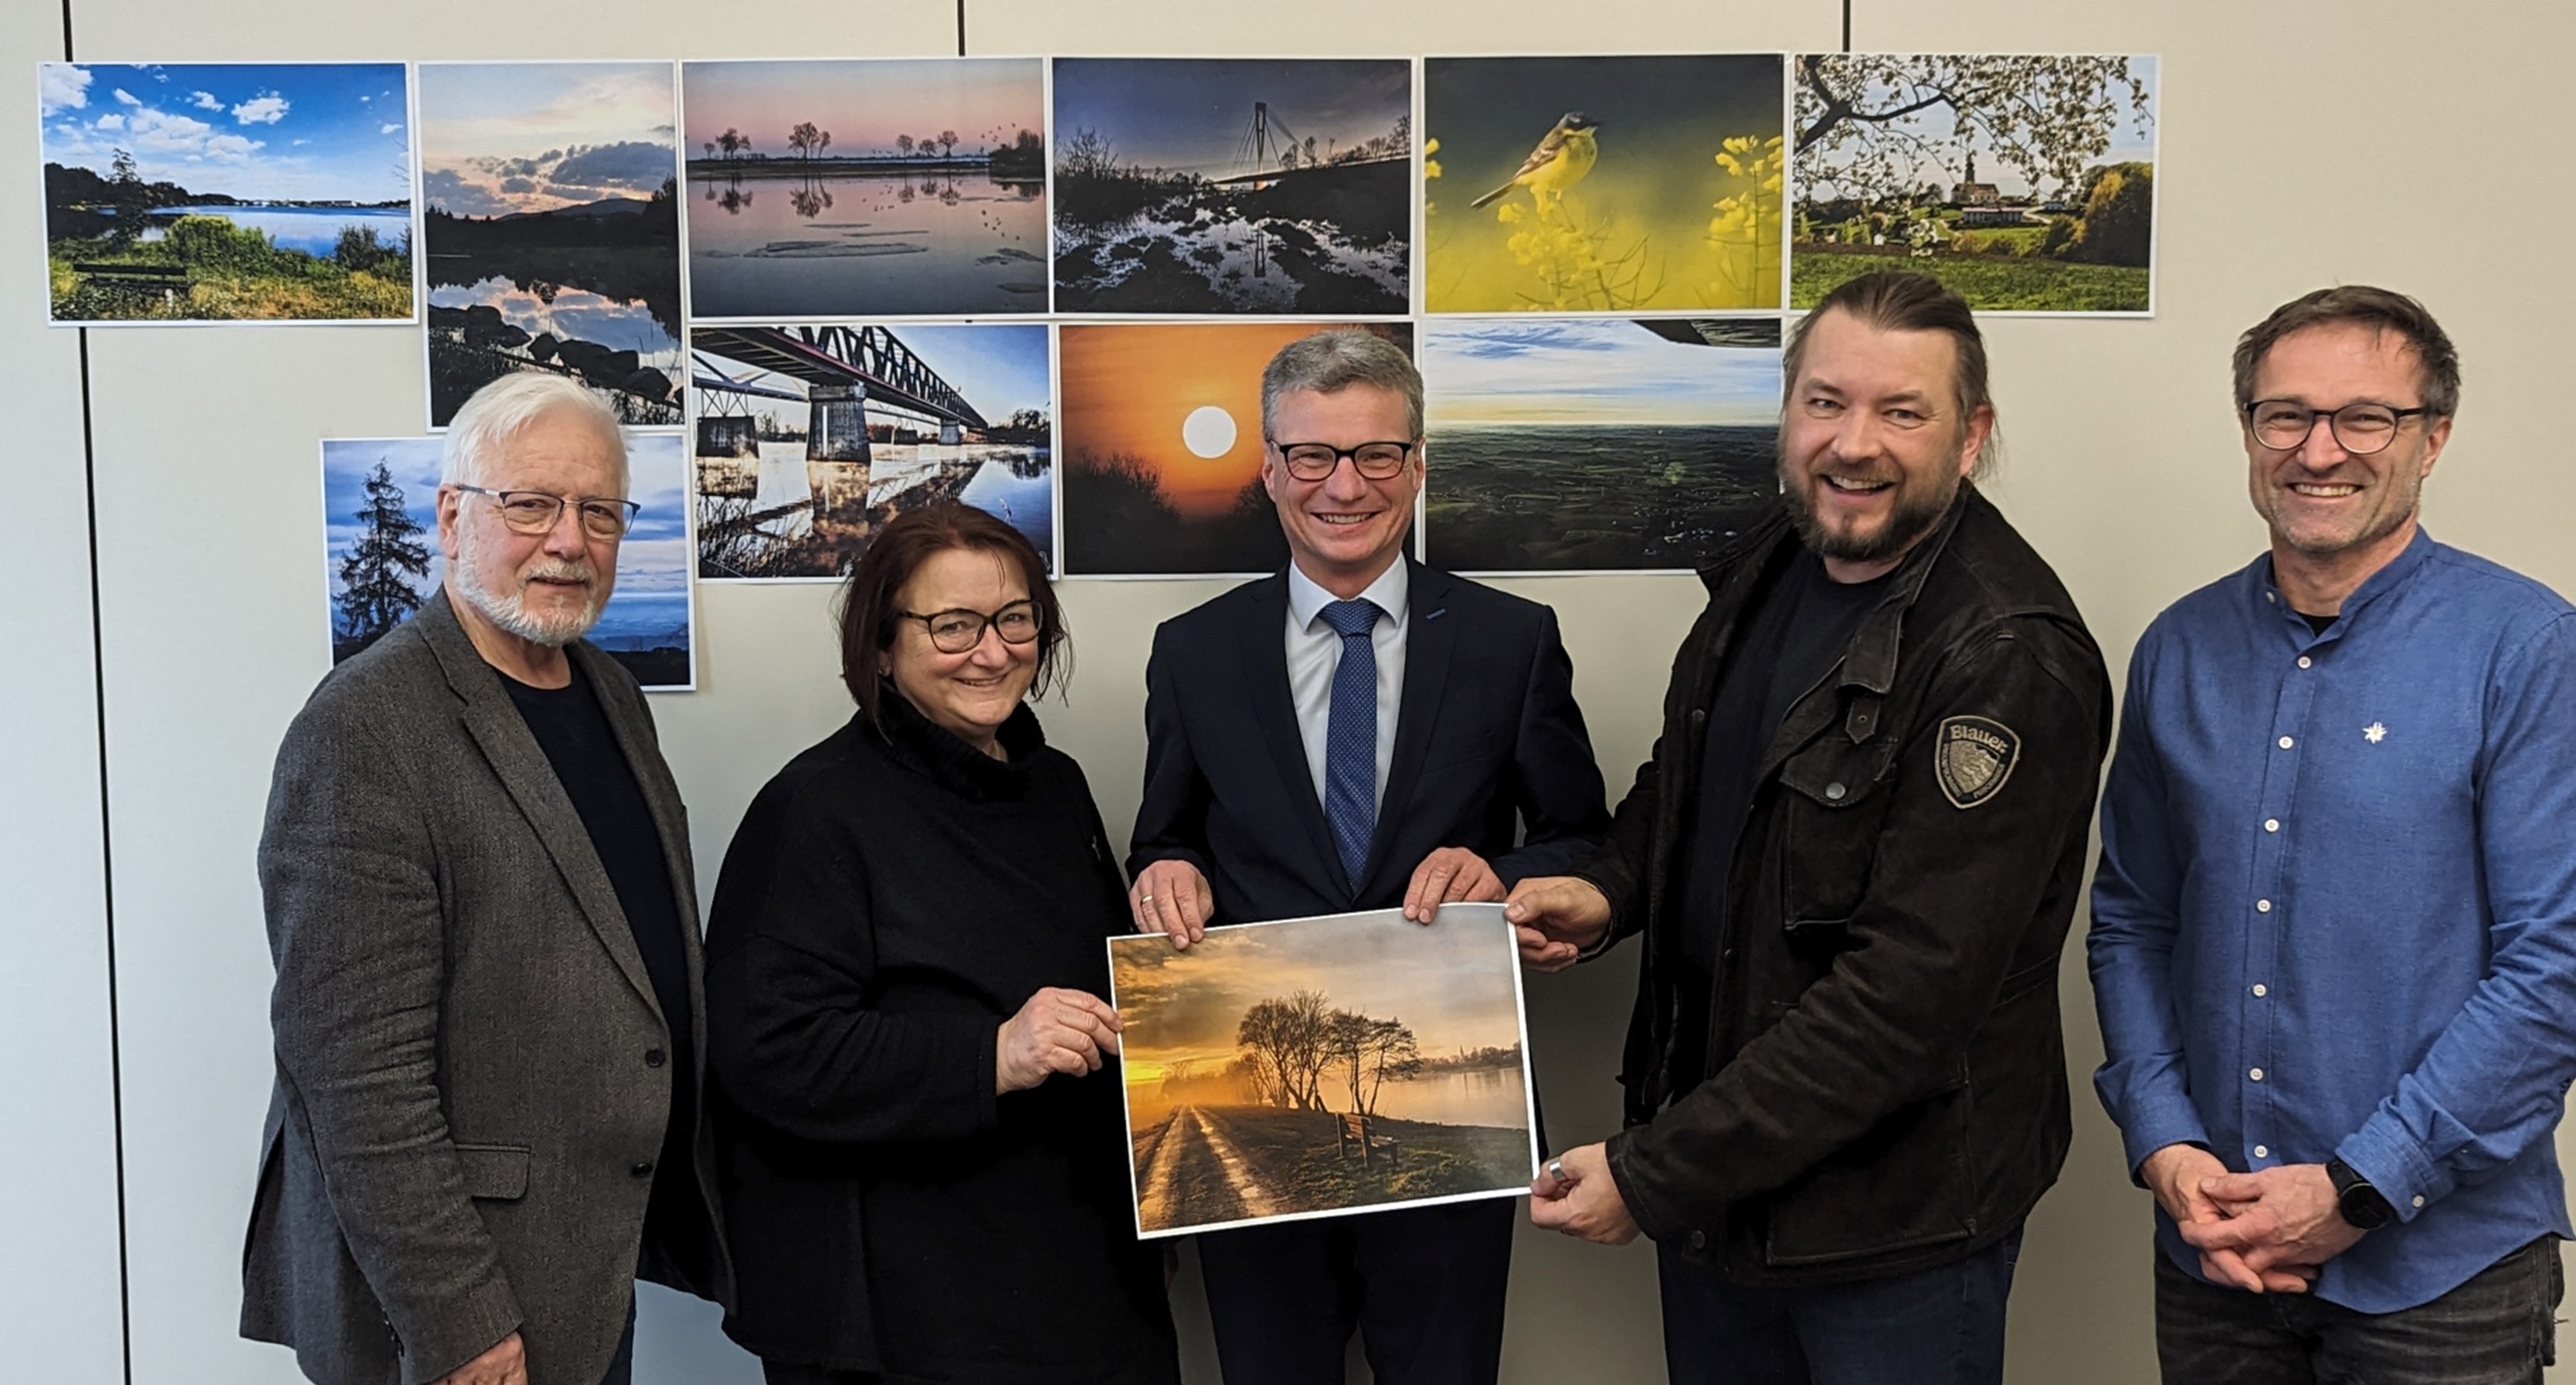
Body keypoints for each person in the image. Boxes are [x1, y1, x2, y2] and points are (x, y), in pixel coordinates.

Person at [1509, 270, 2112, 1385]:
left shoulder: (2004, 655)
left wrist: (1650, 1175)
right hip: (1723, 1194)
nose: (1853, 444)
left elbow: (1903, 1002)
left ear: (1970, 434)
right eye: (1825, 402)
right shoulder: (1772, 562)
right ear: (1786, 415)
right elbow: (1691, 776)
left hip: (1887, 1228)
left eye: (1901, 410)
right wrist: (1606, 892)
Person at [2089, 286, 2576, 1381]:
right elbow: (2129, 917)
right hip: (2213, 1254)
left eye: (2365, 418)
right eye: (2283, 416)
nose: (2319, 451)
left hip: (2438, 1275)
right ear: (2248, 432)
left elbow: (2556, 964)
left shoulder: (2527, 648)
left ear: (2430, 438)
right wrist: (2162, 1142)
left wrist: (2359, 1185)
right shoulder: (2176, 648)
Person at [1128, 328, 1609, 1385]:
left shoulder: (1507, 639)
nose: (1342, 485)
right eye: (1312, 455)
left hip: (1445, 1125)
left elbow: (1582, 838)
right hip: (1263, 1107)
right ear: (1267, 468)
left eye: (1374, 455)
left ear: (1416, 464)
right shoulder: (1194, 650)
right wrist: (1162, 871)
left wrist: (1512, 879)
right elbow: (1163, 836)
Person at [243, 372, 726, 1385]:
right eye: (530, 504)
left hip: (584, 1252)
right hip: (469, 1298)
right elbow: (353, 1072)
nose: (567, 539)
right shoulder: (364, 727)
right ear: (452, 516)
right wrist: (456, 1318)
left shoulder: (606, 690)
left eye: (598, 511)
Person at [703, 503, 1179, 1385]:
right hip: (910, 1318)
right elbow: (764, 1050)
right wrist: (992, 1051)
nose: (992, 651)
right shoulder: (814, 809)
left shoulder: (1055, 787)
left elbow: (1110, 1004)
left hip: (1080, 1278)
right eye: (951, 625)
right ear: (881, 647)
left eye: (1014, 618)